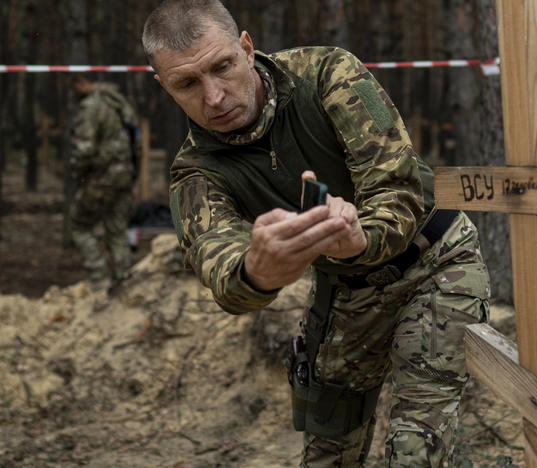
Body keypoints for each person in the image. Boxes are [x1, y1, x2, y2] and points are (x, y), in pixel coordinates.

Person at [142, 1, 490, 466]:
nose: (215, 97)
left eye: (222, 67)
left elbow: (397, 187)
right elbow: (218, 263)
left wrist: (360, 238)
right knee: (327, 448)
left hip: (435, 261)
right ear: (163, 86)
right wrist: (256, 270)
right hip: (346, 292)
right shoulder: (196, 173)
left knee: (414, 450)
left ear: (246, 48)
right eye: (187, 83)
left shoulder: (326, 73)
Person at [68, 75, 139, 290]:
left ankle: (99, 278)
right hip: (123, 177)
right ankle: (124, 280)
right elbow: (136, 140)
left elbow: (84, 150)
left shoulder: (91, 107)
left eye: (73, 87)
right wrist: (132, 172)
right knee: (117, 230)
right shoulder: (118, 102)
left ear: (81, 82)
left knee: (79, 225)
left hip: (100, 179)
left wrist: (79, 173)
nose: (73, 93)